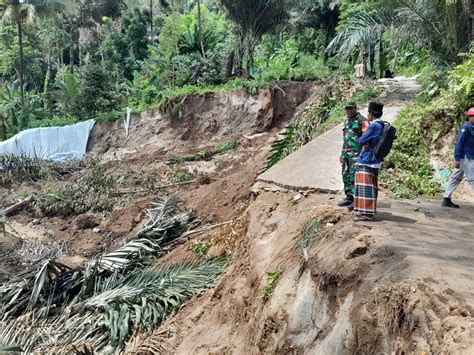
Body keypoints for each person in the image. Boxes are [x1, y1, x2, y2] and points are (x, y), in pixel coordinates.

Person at [353, 102, 384, 222]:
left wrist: (363, 139)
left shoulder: (374, 126)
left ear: (371, 113)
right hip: (375, 160)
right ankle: (367, 212)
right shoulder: (382, 125)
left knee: (365, 188)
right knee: (371, 187)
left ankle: (367, 214)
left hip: (367, 160)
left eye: (369, 112)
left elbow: (361, 140)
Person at [338, 101, 368, 210]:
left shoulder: (362, 120)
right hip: (346, 153)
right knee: (346, 175)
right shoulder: (346, 122)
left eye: (351, 108)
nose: (349, 111)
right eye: (347, 109)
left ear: (355, 108)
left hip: (356, 154)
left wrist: (363, 153)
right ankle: (349, 197)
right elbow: (345, 139)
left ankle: (357, 200)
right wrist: (342, 153)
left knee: (355, 176)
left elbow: (366, 137)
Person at [441, 107, 474, 208]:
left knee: (455, 178)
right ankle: (446, 199)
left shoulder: (472, 127)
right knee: (473, 178)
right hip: (465, 157)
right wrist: (457, 158)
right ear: (469, 117)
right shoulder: (465, 127)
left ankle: (446, 199)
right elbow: (459, 143)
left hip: (469, 157)